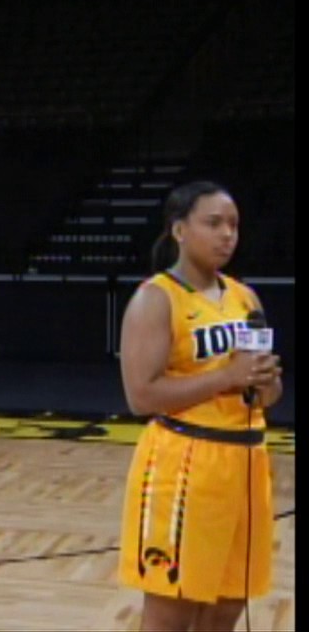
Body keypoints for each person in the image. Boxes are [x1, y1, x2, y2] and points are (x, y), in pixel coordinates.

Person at [117, 181, 282, 631]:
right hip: (184, 464)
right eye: (213, 223)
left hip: (246, 460)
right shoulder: (156, 298)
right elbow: (140, 396)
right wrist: (227, 377)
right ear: (179, 230)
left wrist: (265, 382)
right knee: (172, 612)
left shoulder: (245, 298)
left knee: (227, 608)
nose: (227, 234)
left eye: (233, 225)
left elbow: (268, 394)